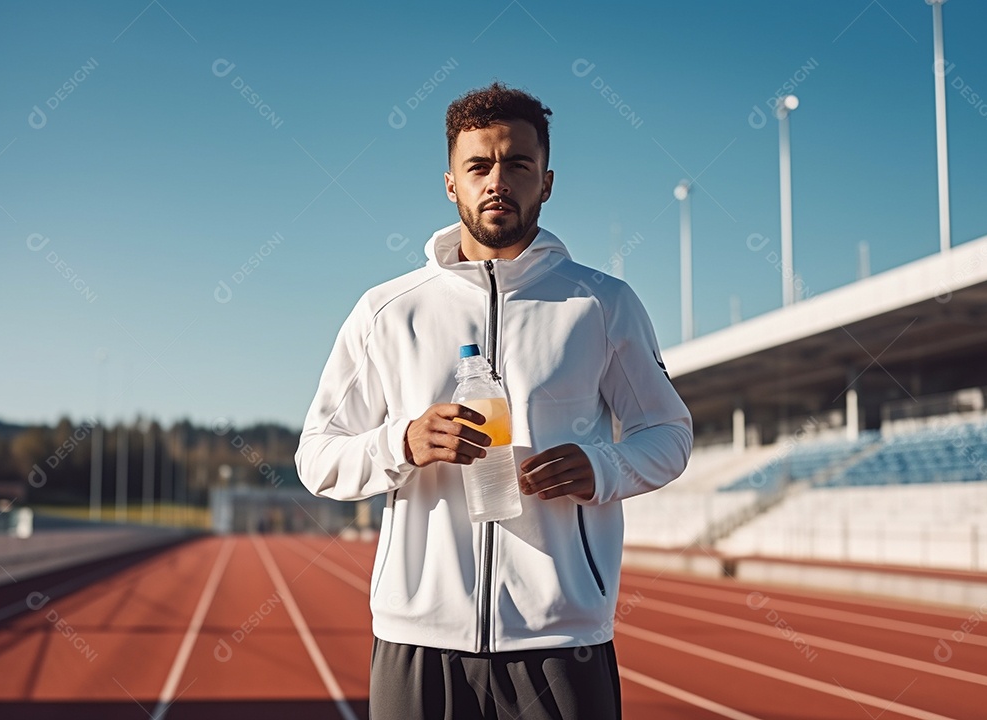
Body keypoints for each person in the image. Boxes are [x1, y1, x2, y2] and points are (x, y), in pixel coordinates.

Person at [296, 82, 692, 720]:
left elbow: (668, 433)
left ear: (548, 180)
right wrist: (400, 442)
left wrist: (603, 467)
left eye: (518, 164)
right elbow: (316, 458)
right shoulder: (387, 312)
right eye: (478, 166)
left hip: (562, 640)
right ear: (451, 182)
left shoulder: (602, 304)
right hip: (418, 638)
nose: (497, 180)